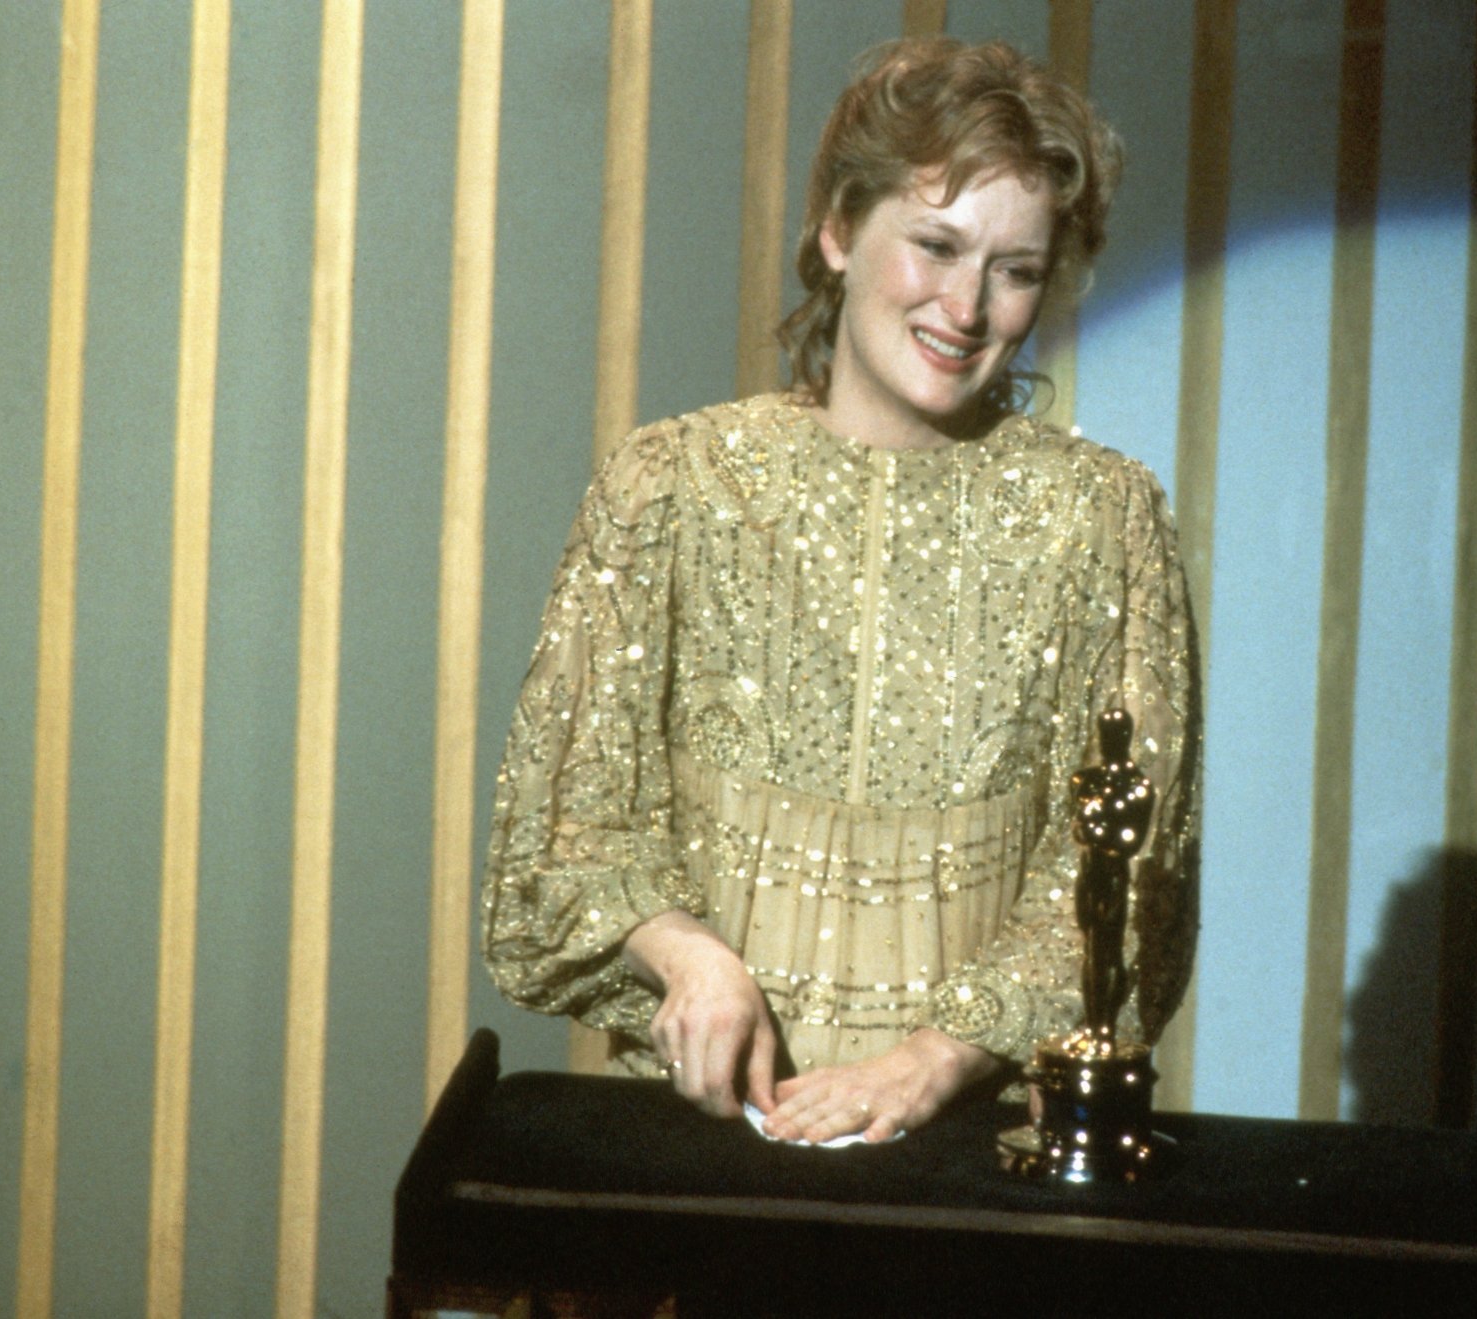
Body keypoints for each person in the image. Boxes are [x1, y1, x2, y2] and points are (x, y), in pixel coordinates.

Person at [480, 36, 1199, 1145]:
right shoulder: (671, 483)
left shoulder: (1099, 519)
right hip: (699, 1131)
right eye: (933, 244)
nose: (965, 305)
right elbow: (567, 830)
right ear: (833, 231)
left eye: (1012, 269)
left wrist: (927, 1063)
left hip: (961, 1153)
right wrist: (690, 954)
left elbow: (1119, 879)